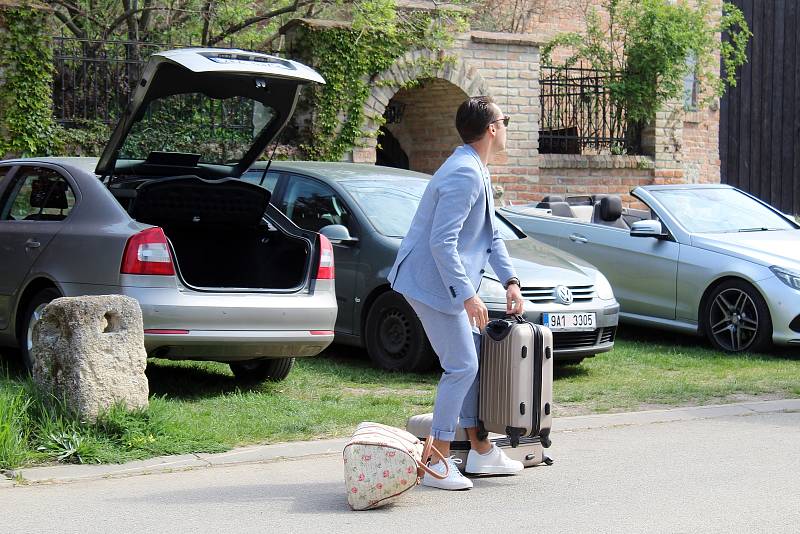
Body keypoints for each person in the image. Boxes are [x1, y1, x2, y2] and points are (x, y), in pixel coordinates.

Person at [387, 96, 525, 490]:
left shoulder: (475, 167)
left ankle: (481, 451)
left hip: (445, 282)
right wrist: (467, 294)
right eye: (506, 120)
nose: (507, 127)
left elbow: (490, 233)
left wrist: (510, 281)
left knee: (472, 360)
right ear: (492, 129)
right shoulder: (463, 173)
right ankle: (437, 461)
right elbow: (441, 242)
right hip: (430, 285)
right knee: (462, 365)